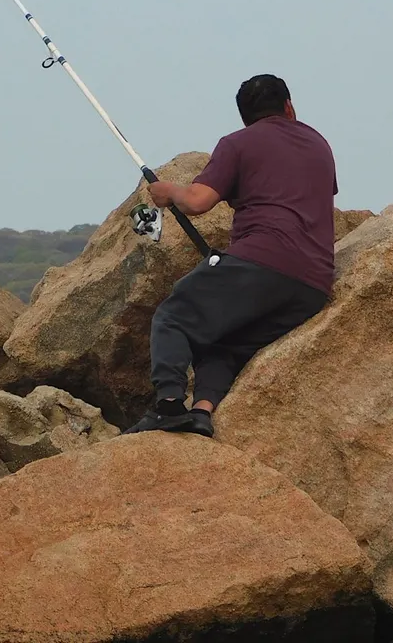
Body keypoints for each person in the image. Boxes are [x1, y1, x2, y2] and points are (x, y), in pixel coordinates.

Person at [122, 73, 338, 438]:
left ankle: (169, 406)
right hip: (312, 284)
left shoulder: (238, 143)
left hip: (262, 260)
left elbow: (197, 202)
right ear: (289, 107)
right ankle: (202, 412)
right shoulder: (319, 144)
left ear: (244, 118)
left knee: (173, 316)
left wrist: (168, 190)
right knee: (225, 342)